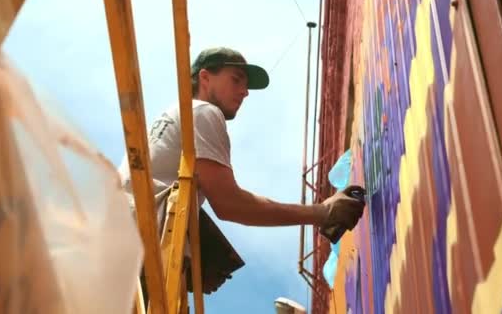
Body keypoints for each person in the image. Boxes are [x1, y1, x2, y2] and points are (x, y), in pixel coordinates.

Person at [118, 47, 365, 291]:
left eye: (245, 86)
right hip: (139, 244)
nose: (244, 92)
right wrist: (322, 212)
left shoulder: (174, 116)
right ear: (204, 77)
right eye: (235, 80)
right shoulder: (203, 112)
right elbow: (230, 204)